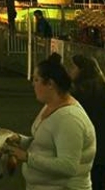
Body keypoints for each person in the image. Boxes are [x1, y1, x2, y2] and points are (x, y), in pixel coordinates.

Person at [6, 53, 96, 190]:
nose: (32, 84)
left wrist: (27, 157)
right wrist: (20, 140)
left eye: (36, 80)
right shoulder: (50, 105)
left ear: (50, 84)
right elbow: (44, 142)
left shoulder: (69, 119)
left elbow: (68, 166)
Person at [69, 54, 105, 190]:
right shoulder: (101, 86)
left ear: (82, 70)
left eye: (74, 67)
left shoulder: (79, 92)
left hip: (86, 146)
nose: (71, 70)